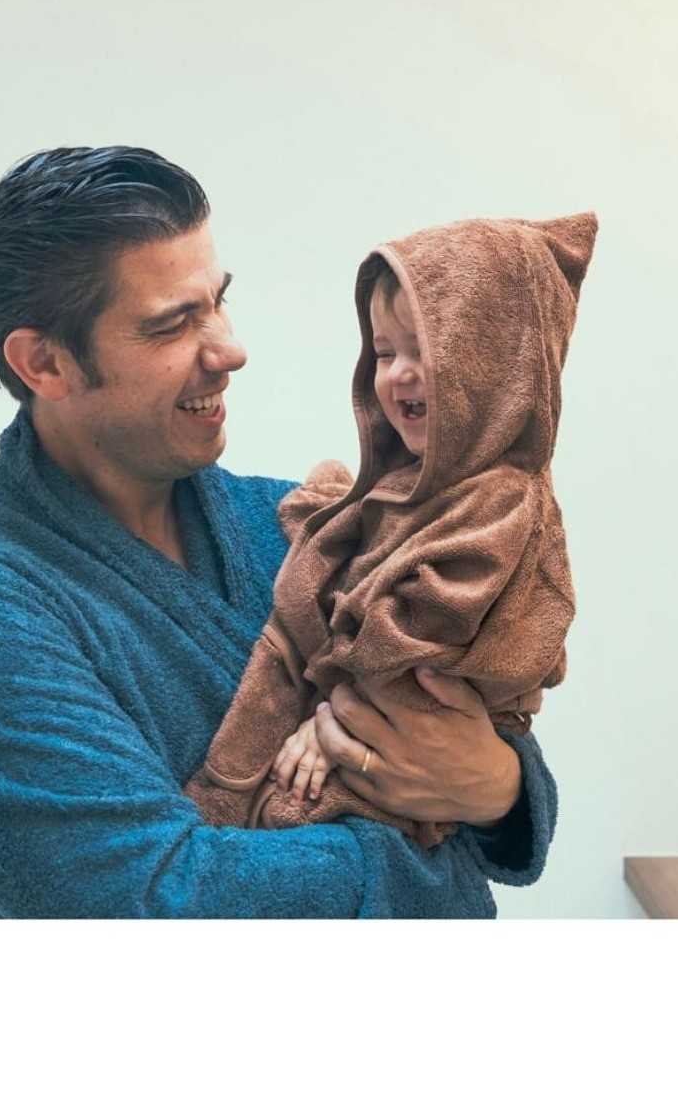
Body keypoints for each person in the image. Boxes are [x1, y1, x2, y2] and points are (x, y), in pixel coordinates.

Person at [0, 145, 559, 918]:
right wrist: (426, 858)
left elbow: (480, 719)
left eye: (218, 302)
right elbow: (152, 901)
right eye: (172, 324)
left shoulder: (302, 521)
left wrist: (498, 787)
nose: (230, 350)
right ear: (45, 364)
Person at [184, 212, 597, 848]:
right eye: (384, 353)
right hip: (394, 738)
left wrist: (328, 722)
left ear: (500, 369)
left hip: (403, 731)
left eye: (427, 351)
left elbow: (418, 642)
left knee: (288, 809)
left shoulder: (501, 502)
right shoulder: (406, 489)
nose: (399, 372)